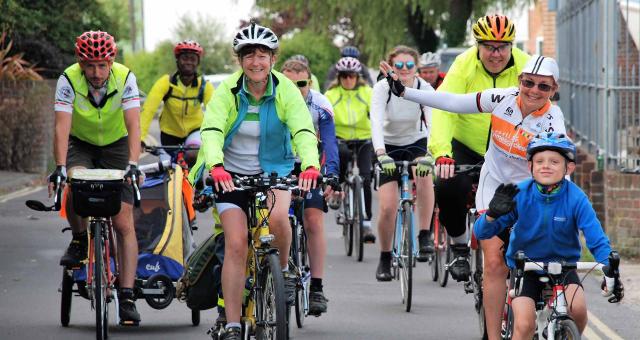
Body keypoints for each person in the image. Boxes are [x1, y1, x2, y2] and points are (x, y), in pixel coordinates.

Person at [382, 54, 565, 340]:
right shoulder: (501, 98)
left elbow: (560, 168)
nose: (534, 91)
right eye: (529, 82)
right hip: (494, 190)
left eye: (544, 87)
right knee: (494, 263)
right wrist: (405, 92)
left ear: (553, 91)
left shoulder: (554, 120)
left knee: (540, 260)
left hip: (530, 193)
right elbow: (453, 102)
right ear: (520, 81)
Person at [188, 22, 320, 340]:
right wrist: (216, 166)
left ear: (273, 59)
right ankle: (233, 322)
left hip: (275, 170)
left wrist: (311, 166)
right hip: (230, 174)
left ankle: (283, 271)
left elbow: (302, 128)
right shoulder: (229, 91)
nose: (256, 62)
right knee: (235, 244)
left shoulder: (285, 89)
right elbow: (213, 129)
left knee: (278, 219)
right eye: (249, 55)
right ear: (240, 60)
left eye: (263, 55)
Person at [474, 133, 625, 339]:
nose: (546, 166)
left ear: (568, 168)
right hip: (526, 268)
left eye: (554, 161)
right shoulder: (519, 194)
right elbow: (482, 232)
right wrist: (491, 215)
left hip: (564, 267)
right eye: (539, 161)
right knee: (525, 324)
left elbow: (596, 239)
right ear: (530, 167)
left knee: (578, 310)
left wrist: (609, 268)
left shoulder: (577, 198)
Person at [51, 30, 142, 324]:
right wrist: (60, 166)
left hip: (117, 144)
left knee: (123, 220)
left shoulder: (125, 77)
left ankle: (127, 296)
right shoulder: (68, 79)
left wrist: (133, 163)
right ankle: (79, 239)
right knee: (74, 183)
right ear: (80, 61)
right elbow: (61, 127)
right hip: (82, 144)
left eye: (102, 65)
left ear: (111, 60)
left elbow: (134, 123)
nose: (96, 72)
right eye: (89, 65)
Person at [370, 45, 435, 281]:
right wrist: (380, 153)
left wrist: (431, 154)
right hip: (387, 146)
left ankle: (425, 234)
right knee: (387, 207)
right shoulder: (382, 88)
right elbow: (375, 122)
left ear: (416, 67)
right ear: (391, 67)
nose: (405, 69)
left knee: (424, 174)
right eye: (399, 65)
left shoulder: (424, 88)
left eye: (409, 65)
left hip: (416, 141)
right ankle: (385, 257)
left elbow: (433, 122)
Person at [281, 59, 340, 315]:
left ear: (310, 82)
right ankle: (275, 270)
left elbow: (329, 142)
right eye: (289, 84)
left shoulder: (320, 104)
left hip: (310, 166)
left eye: (301, 84)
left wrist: (332, 174)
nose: (296, 89)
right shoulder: (272, 101)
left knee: (313, 220)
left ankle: (316, 287)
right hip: (279, 165)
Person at [325, 56, 376, 243]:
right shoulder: (331, 95)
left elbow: (376, 114)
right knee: (342, 155)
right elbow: (326, 119)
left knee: (365, 178)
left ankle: (367, 224)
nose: (348, 80)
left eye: (352, 76)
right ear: (339, 77)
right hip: (340, 138)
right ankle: (338, 190)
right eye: (344, 76)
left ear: (357, 76)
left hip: (363, 138)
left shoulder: (367, 92)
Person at [140, 40, 214, 165]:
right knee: (172, 170)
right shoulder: (166, 82)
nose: (188, 62)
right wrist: (141, 138)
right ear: (177, 60)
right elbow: (148, 110)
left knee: (193, 155)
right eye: (184, 58)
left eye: (193, 59)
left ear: (198, 62)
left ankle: (197, 181)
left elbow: (216, 114)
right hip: (170, 135)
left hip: (194, 131)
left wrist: (221, 138)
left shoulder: (204, 86)